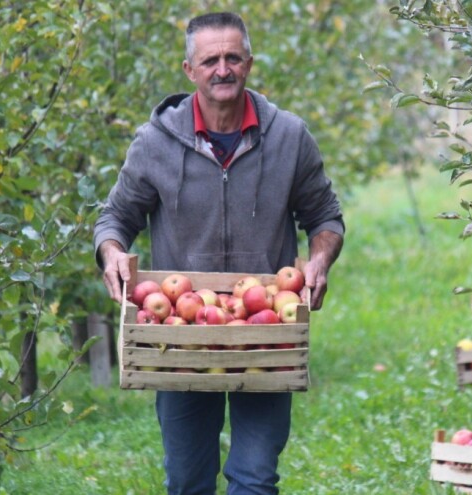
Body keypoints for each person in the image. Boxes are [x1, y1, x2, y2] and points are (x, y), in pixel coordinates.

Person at [92, 11, 344, 495]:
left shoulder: (289, 137)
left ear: (249, 63)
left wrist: (318, 260)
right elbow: (115, 219)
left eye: (232, 57)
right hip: (180, 339)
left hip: (266, 333)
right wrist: (111, 253)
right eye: (210, 60)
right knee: (187, 482)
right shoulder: (155, 143)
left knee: (256, 478)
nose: (222, 69)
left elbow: (326, 217)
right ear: (189, 70)